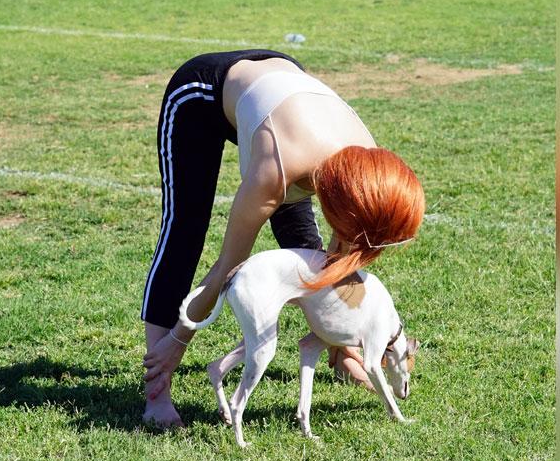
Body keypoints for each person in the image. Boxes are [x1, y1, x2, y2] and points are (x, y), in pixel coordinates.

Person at [140, 49, 425, 427]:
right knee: (185, 230)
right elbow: (227, 268)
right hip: (204, 93)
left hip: (287, 95)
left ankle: (344, 354)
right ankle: (156, 388)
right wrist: (179, 339)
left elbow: (335, 259)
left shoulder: (369, 165)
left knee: (310, 250)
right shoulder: (274, 172)